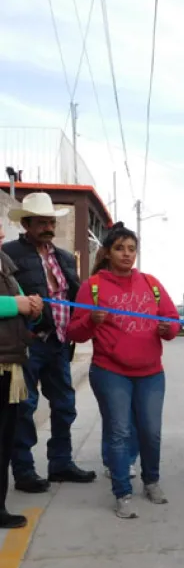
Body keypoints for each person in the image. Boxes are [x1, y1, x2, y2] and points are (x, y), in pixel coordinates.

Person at [67, 223, 180, 518]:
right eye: (120, 248)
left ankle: (151, 481)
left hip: (151, 373)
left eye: (132, 249)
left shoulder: (151, 284)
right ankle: (122, 492)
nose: (127, 254)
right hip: (110, 372)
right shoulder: (92, 287)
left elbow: (172, 320)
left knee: (151, 432)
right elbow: (74, 332)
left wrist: (169, 328)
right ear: (107, 252)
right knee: (119, 432)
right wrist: (91, 321)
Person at [4, 193, 96, 493]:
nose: (48, 227)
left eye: (51, 222)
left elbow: (75, 298)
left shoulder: (64, 257)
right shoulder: (10, 254)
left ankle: (60, 463)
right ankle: (24, 471)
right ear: (27, 224)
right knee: (25, 408)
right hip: (29, 344)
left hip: (58, 342)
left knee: (65, 404)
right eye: (42, 222)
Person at [0, 251, 42, 528]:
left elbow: (24, 307)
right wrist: (16, 304)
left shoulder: (6, 263)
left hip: (10, 363)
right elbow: (17, 304)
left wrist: (34, 310)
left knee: (4, 440)